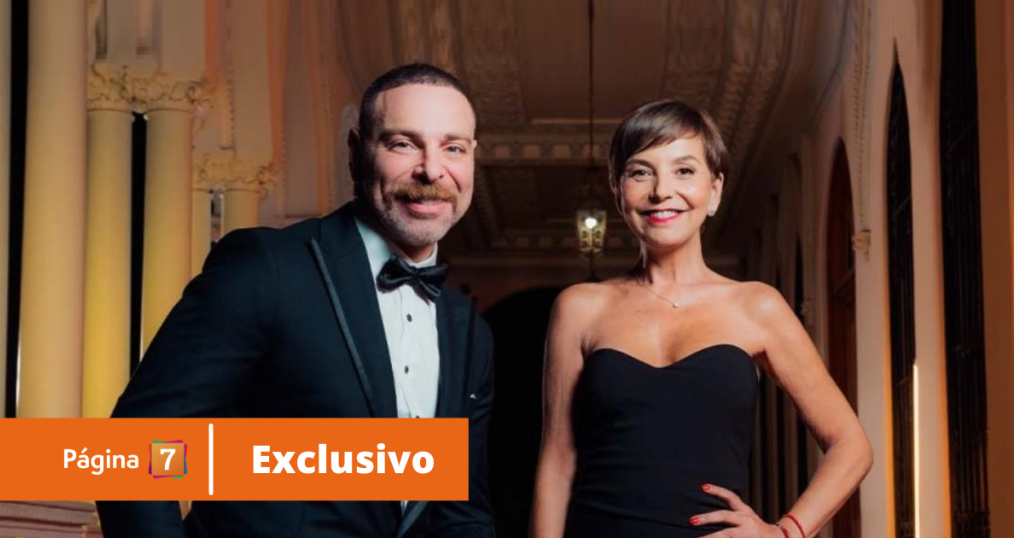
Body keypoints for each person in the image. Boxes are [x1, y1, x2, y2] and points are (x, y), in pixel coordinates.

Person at [96, 63, 495, 538]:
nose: (432, 169)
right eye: (403, 144)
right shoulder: (266, 267)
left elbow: (459, 510)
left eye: (453, 148)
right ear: (356, 153)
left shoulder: (468, 331)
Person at [530, 100, 872, 538]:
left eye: (684, 170)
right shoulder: (580, 307)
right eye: (640, 172)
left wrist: (785, 532)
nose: (661, 190)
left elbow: (851, 444)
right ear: (618, 191)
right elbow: (557, 463)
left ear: (715, 190)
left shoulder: (757, 306)